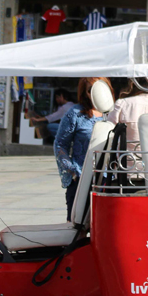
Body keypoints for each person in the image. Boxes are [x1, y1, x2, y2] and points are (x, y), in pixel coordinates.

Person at [55, 77, 111, 218]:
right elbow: (61, 144)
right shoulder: (75, 113)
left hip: (108, 181)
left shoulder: (114, 113)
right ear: (84, 92)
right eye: (91, 90)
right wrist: (72, 170)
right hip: (81, 179)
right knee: (76, 227)